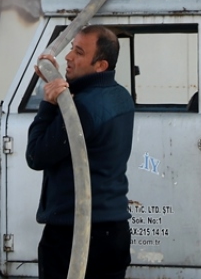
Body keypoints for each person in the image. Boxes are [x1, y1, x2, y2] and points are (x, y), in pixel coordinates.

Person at [26, 25, 134, 279]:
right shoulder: (120, 96)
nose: (68, 57)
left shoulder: (81, 109)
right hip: (113, 232)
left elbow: (36, 155)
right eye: (71, 48)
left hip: (76, 236)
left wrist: (48, 104)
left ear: (100, 65)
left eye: (79, 52)